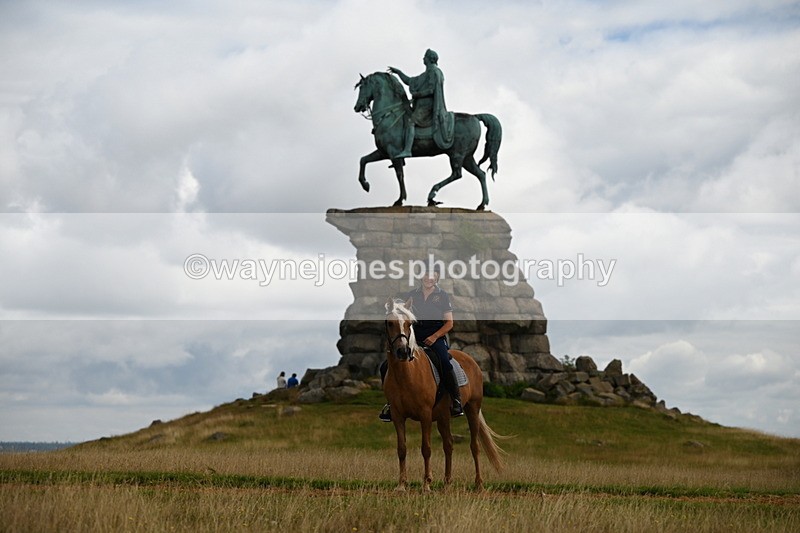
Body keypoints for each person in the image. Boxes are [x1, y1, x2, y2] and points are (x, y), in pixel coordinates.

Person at [379, 264, 463, 421]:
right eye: (426, 274)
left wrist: (434, 336)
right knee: (385, 366)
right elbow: (401, 317)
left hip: (435, 338)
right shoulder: (412, 295)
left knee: (444, 362)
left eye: (433, 275)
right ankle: (392, 404)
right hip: (414, 338)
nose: (429, 278)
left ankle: (456, 399)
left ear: (437, 277)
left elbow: (449, 323)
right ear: (421, 276)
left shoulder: (442, 296)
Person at [388, 48, 455, 158]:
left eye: (425, 57)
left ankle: (407, 150)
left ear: (429, 59)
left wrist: (417, 95)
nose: (423, 58)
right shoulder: (426, 73)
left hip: (427, 107)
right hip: (420, 106)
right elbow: (409, 81)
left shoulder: (434, 72)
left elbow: (431, 90)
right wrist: (398, 72)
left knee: (410, 122)